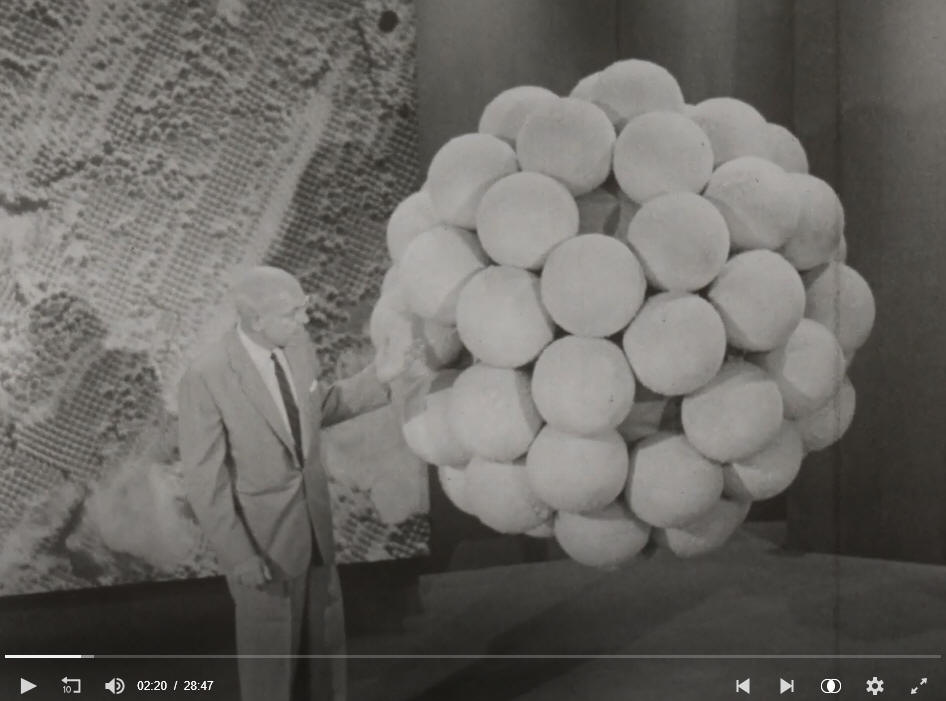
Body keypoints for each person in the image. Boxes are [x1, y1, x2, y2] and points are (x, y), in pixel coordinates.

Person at [177, 265, 413, 701]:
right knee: (271, 672)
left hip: (315, 533)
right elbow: (204, 480)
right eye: (292, 313)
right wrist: (240, 555)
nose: (304, 320)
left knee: (326, 657)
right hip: (262, 546)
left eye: (303, 308)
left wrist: (382, 376)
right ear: (256, 320)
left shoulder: (297, 347)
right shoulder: (207, 377)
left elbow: (319, 409)